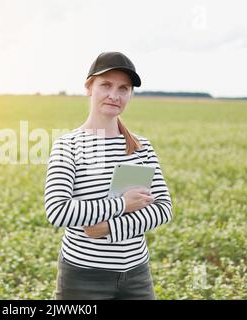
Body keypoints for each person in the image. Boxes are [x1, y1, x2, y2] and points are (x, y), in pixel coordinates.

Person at [44, 52, 173, 300]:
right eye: (106, 85)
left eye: (123, 88)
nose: (114, 95)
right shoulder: (67, 145)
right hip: (83, 277)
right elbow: (57, 211)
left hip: (137, 276)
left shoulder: (142, 147)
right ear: (89, 88)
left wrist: (110, 228)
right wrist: (123, 204)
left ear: (130, 95)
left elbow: (163, 209)